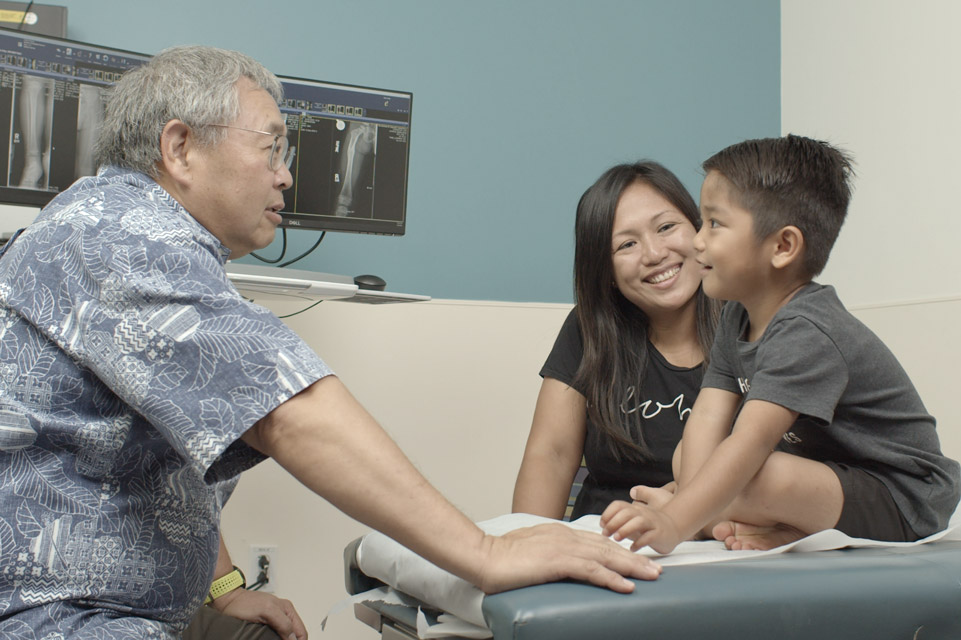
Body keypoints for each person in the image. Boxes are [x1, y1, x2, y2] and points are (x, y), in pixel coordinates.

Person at [0, 46, 661, 639]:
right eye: (270, 148)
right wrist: (486, 555)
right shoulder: (123, 239)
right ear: (179, 149)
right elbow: (290, 412)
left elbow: (166, 455)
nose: (285, 176)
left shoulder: (103, 228)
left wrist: (226, 590)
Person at [600, 134, 961, 554]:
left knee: (763, 474)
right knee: (687, 455)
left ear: (783, 246)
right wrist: (685, 502)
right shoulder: (737, 315)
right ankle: (779, 529)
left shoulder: (807, 331)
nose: (697, 240)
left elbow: (748, 442)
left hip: (904, 497)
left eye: (714, 224)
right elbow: (707, 419)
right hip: (831, 479)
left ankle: (725, 522)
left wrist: (675, 521)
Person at [512, 162, 719, 520]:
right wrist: (529, 549)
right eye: (627, 244)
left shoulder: (751, 323)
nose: (654, 254)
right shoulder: (587, 329)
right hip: (605, 539)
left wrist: (686, 515)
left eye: (666, 227)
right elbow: (553, 453)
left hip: (717, 536)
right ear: (605, 272)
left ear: (698, 230)